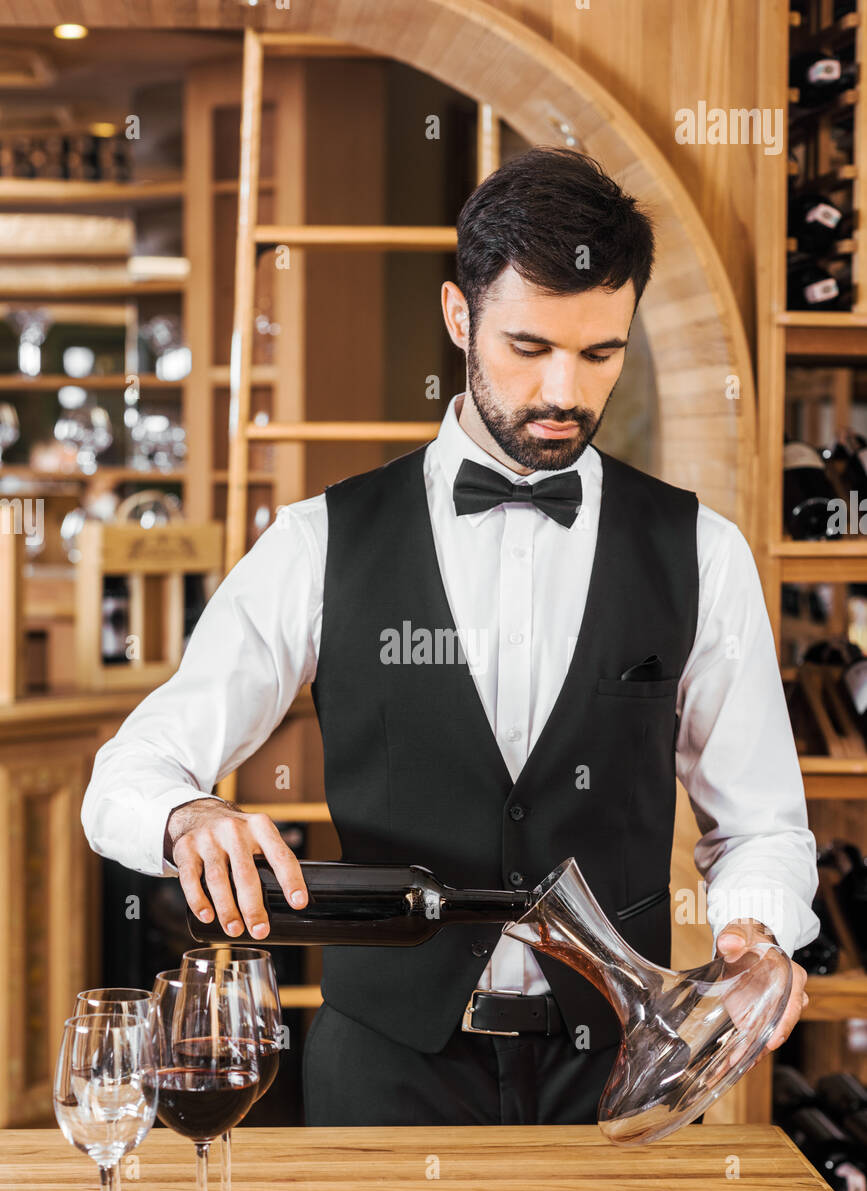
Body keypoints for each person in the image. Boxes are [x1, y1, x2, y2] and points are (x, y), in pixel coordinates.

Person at [82, 146, 817, 1126]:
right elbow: (126, 775)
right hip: (386, 1070)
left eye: (600, 354)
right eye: (530, 348)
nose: (565, 392)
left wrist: (754, 934)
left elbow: (760, 824)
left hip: (616, 1069)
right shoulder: (318, 543)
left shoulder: (702, 554)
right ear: (459, 316)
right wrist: (188, 819)